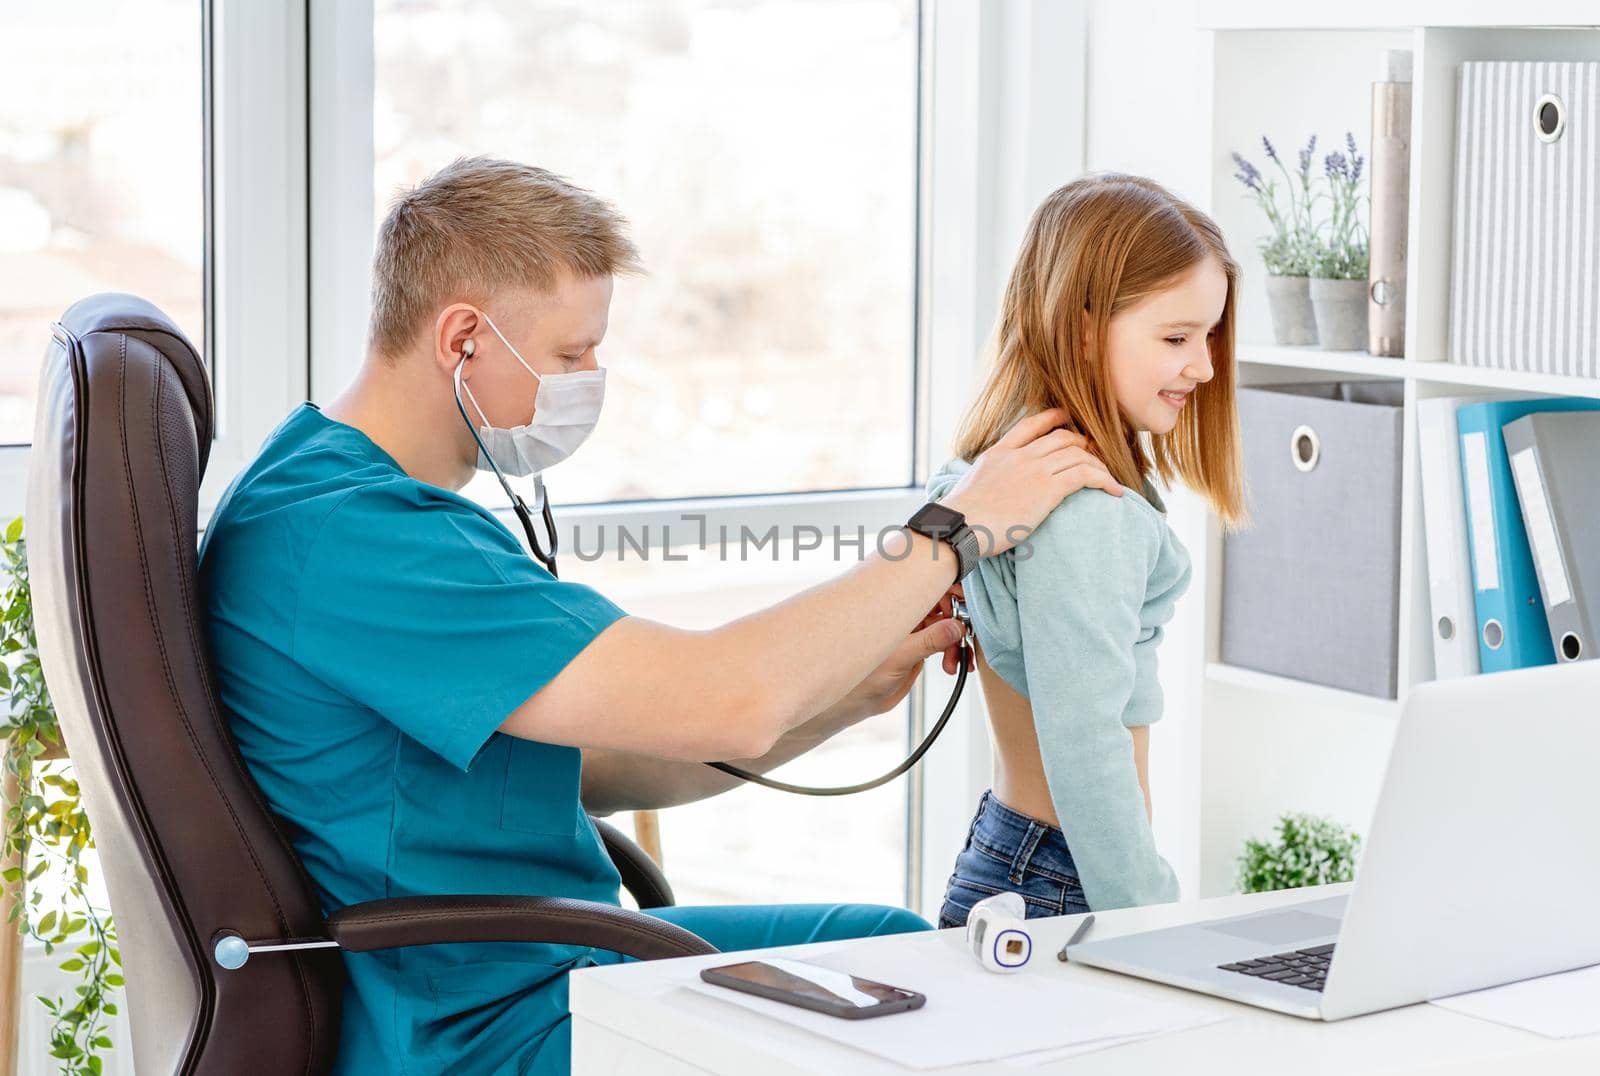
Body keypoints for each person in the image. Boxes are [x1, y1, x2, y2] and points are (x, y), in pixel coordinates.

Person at [196, 156, 1124, 1075]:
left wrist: (843, 701)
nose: (592, 377)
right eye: (570, 354)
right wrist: (955, 532)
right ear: (462, 339)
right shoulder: (359, 540)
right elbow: (728, 699)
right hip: (478, 1024)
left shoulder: (338, 490)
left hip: (527, 959)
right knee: (908, 1012)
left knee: (887, 943)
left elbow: (598, 768)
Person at [926, 173, 1248, 929]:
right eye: (1175, 338)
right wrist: (1149, 920)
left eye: (1208, 336)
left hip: (1014, 851)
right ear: (1078, 327)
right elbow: (1087, 744)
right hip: (1066, 875)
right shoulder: (1083, 506)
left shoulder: (1001, 468)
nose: (1202, 367)